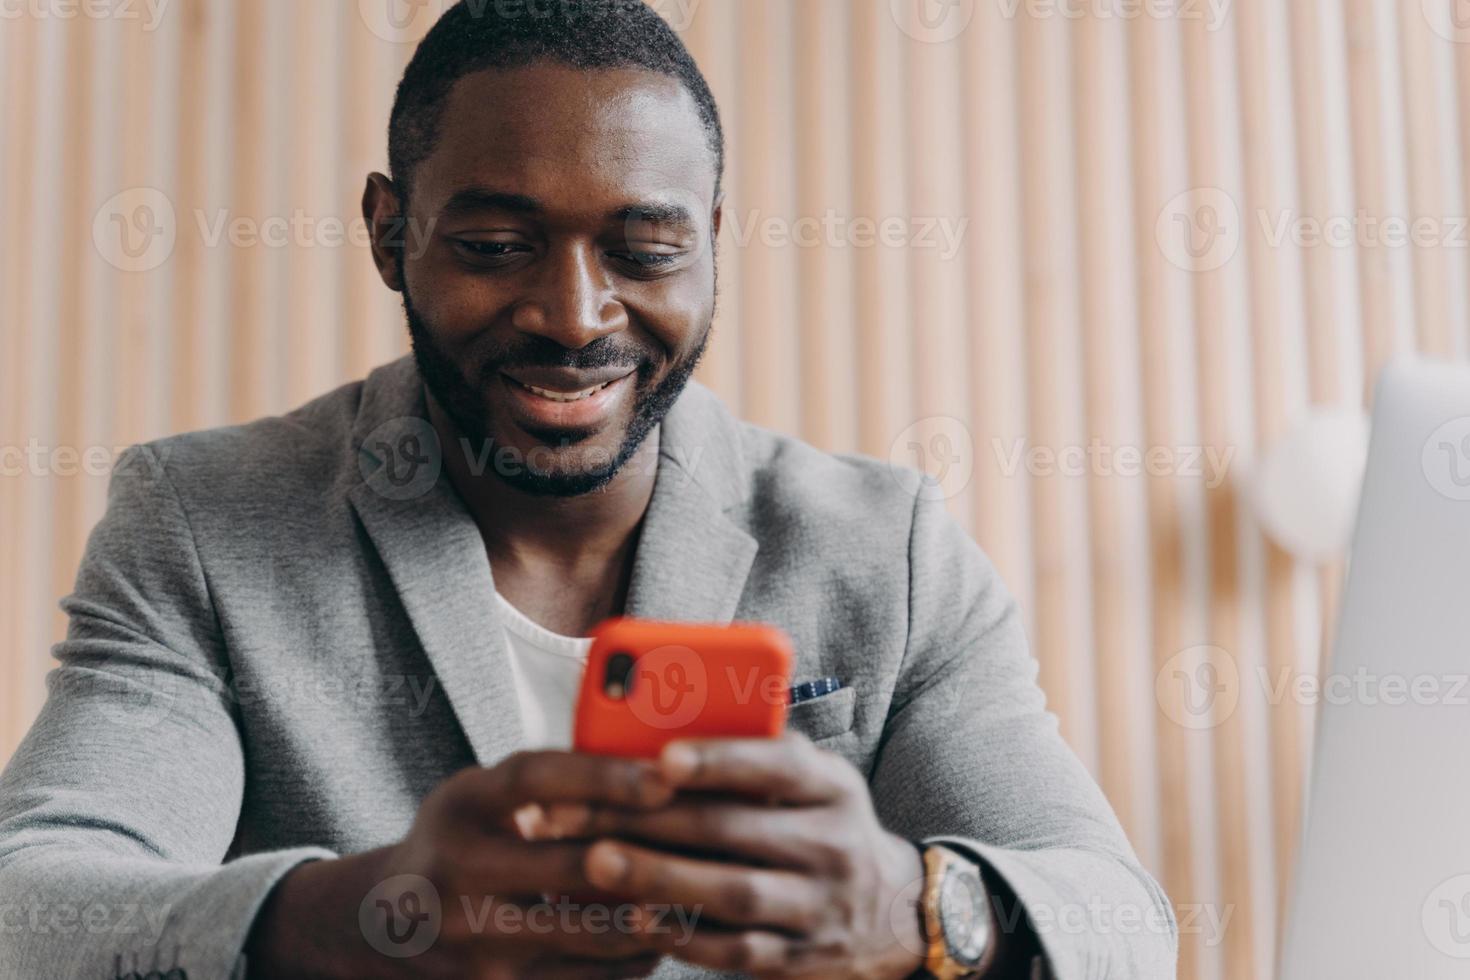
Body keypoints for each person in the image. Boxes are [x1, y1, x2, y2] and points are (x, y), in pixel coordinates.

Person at [0, 2, 1176, 977]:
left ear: (711, 239)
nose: (573, 316)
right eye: (497, 244)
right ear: (390, 231)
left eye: (644, 249)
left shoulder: (889, 545)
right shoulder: (203, 520)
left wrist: (915, 909)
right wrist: (355, 912)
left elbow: (1120, 922)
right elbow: (32, 904)